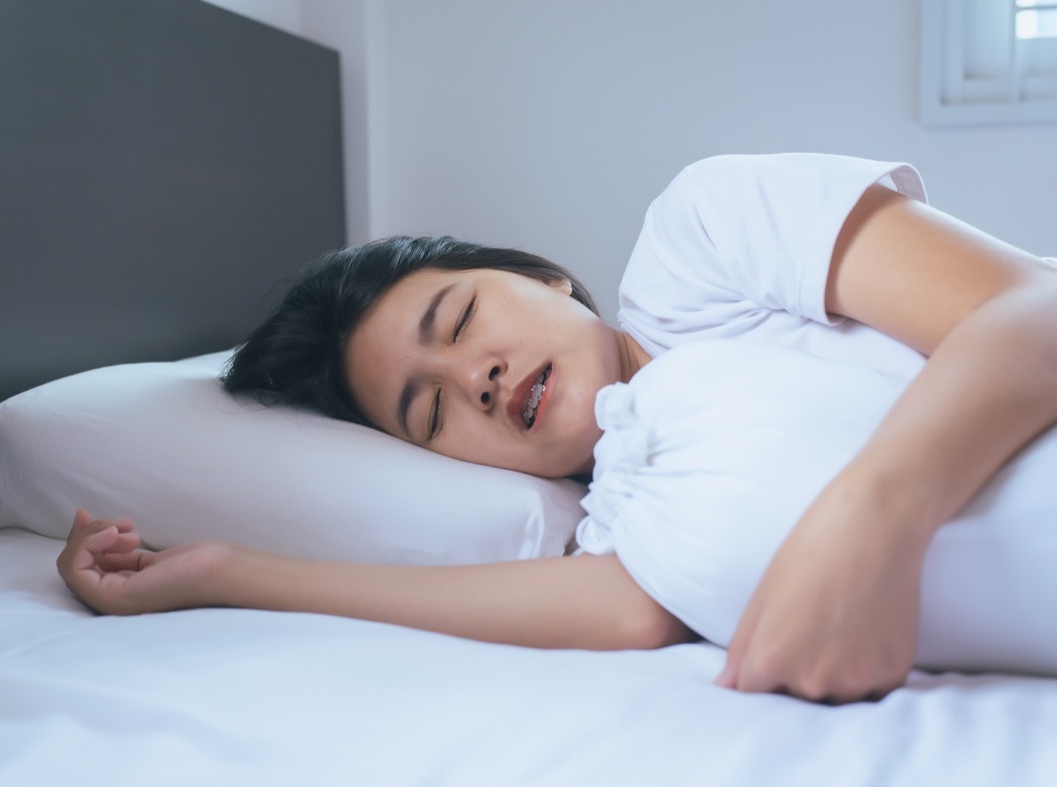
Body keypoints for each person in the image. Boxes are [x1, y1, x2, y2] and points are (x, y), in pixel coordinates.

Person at [58, 153, 1057, 704]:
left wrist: (874, 514)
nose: (475, 379)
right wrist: (223, 573)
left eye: (458, 323)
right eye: (432, 409)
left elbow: (1034, 307)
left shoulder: (703, 245)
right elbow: (632, 617)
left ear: (542, 278)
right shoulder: (629, 531)